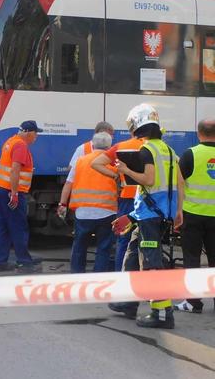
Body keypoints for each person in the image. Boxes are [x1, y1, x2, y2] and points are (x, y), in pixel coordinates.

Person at [95, 104, 183, 329]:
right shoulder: (168, 150)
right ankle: (128, 302)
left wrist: (125, 170)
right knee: (132, 256)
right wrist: (178, 211)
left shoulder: (147, 151)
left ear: (136, 125)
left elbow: (149, 180)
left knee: (151, 263)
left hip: (151, 217)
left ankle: (162, 314)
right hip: (152, 214)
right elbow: (178, 184)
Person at [58, 132, 116, 273]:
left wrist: (62, 204)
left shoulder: (81, 161)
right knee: (103, 247)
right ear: (109, 146)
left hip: (83, 213)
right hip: (107, 212)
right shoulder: (113, 162)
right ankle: (99, 276)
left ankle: (77, 275)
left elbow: (68, 183)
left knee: (79, 246)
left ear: (93, 144)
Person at [173, 119, 215, 314]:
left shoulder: (190, 154)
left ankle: (193, 302)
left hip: (193, 215)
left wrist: (178, 212)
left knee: (192, 259)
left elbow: (180, 186)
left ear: (199, 134)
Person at [0, 120, 43, 273]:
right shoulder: (20, 145)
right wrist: (14, 194)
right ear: (28, 132)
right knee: (18, 227)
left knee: (3, 227)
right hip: (11, 191)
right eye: (35, 134)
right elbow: (15, 170)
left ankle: (0, 262)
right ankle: (24, 263)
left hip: (0, 189)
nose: (36, 137)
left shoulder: (11, 141)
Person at [91, 130, 144, 271]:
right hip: (149, 198)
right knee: (148, 238)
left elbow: (96, 163)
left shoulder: (121, 146)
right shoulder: (155, 146)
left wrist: (116, 175)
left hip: (128, 198)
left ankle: (120, 275)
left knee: (123, 239)